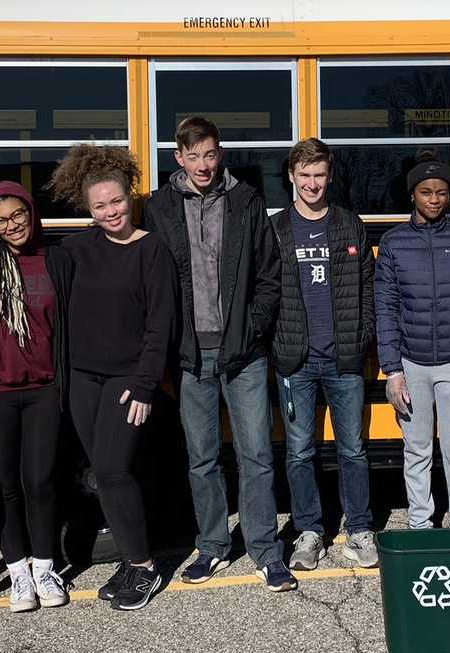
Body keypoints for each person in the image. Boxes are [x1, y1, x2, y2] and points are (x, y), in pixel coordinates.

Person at [144, 117, 296, 593]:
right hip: (190, 355)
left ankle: (266, 551)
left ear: (220, 153)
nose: (203, 164)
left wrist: (252, 328)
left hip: (243, 352)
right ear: (179, 158)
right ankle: (211, 546)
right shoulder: (159, 206)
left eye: (210, 154)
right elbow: (150, 274)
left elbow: (269, 276)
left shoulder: (246, 200)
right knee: (201, 457)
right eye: (193, 156)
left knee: (256, 455)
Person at [48, 145, 177, 610]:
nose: (110, 212)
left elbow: (160, 322)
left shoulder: (151, 249)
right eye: (99, 205)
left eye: (116, 202)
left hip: (127, 379)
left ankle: (144, 568)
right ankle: (130, 556)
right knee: (102, 472)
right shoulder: (77, 248)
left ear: (130, 197)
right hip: (83, 378)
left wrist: (145, 384)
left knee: (113, 470)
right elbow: (27, 261)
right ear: (88, 206)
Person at [272, 138, 378, 571]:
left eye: (319, 175)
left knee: (352, 449)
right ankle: (310, 531)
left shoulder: (349, 224)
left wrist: (362, 334)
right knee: (299, 451)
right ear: (292, 178)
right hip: (295, 360)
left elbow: (368, 285)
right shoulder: (277, 228)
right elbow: (266, 291)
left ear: (329, 176)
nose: (312, 183)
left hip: (344, 358)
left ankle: (358, 530)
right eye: (305, 176)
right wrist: (276, 344)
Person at [0, 182, 73, 611]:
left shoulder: (57, 260)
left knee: (41, 481)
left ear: (32, 213)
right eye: (1, 220)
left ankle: (45, 569)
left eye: (19, 215)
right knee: (6, 485)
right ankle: (17, 573)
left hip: (45, 388)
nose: (12, 225)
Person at [376, 160, 450, 534]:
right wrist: (392, 371)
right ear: (412, 195)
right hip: (411, 365)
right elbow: (386, 310)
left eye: (442, 192)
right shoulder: (394, 243)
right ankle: (420, 524)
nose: (435, 199)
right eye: (426, 192)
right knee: (417, 451)